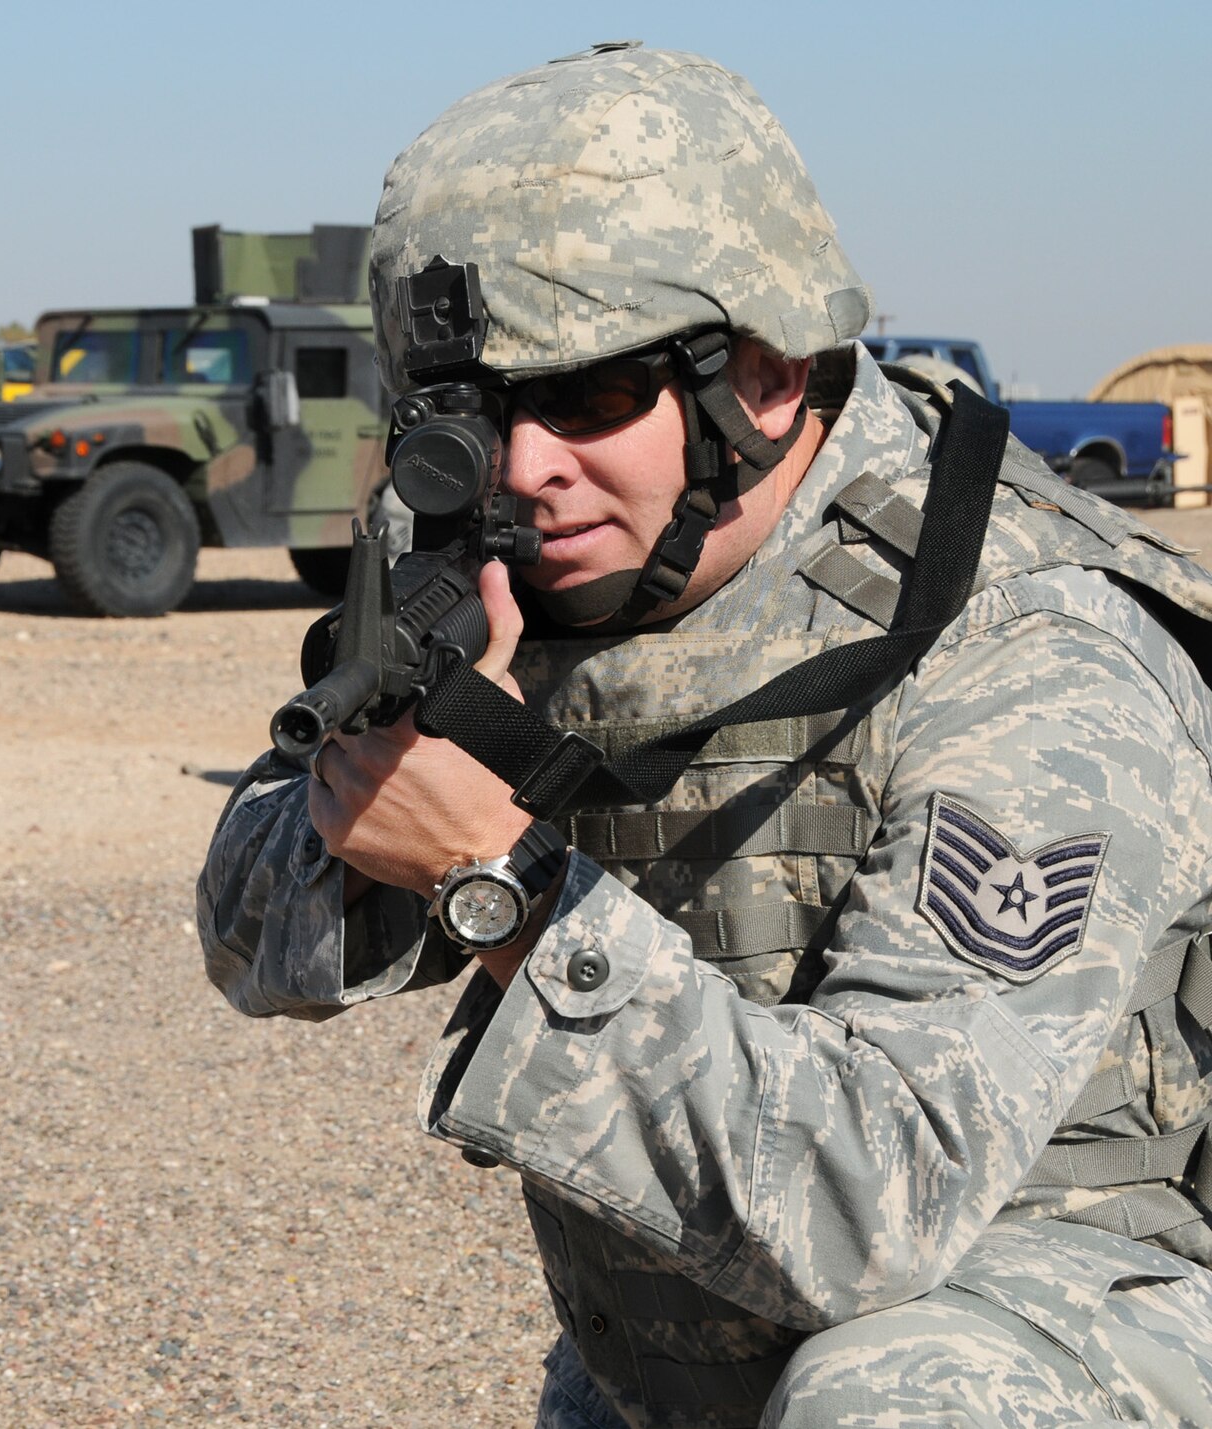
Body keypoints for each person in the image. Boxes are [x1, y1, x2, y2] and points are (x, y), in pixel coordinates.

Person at [199, 43, 1212, 1427]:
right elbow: (252, 944)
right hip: (683, 1352)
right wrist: (401, 752)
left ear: (769, 375)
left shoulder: (1037, 647)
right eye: (471, 409)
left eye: (591, 398)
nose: (525, 466)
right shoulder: (514, 547)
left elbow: (872, 1201)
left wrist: (503, 885)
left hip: (1063, 1323)